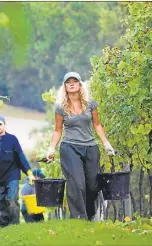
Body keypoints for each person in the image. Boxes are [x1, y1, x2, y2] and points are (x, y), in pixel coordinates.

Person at [46, 72, 115, 221]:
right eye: (68, 82)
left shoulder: (90, 103)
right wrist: (51, 148)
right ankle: (79, 218)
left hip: (90, 147)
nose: (71, 84)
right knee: (77, 182)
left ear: (80, 84)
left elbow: (97, 124)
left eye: (74, 81)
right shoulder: (60, 107)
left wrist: (106, 143)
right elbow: (58, 130)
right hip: (69, 147)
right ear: (64, 86)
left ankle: (90, 215)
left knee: (91, 185)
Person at [0, 116, 35, 228]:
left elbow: (20, 157)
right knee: (1, 204)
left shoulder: (12, 139)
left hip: (12, 175)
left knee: (11, 199)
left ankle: (14, 226)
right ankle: (4, 228)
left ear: (4, 125)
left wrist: (29, 173)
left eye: (0, 124)